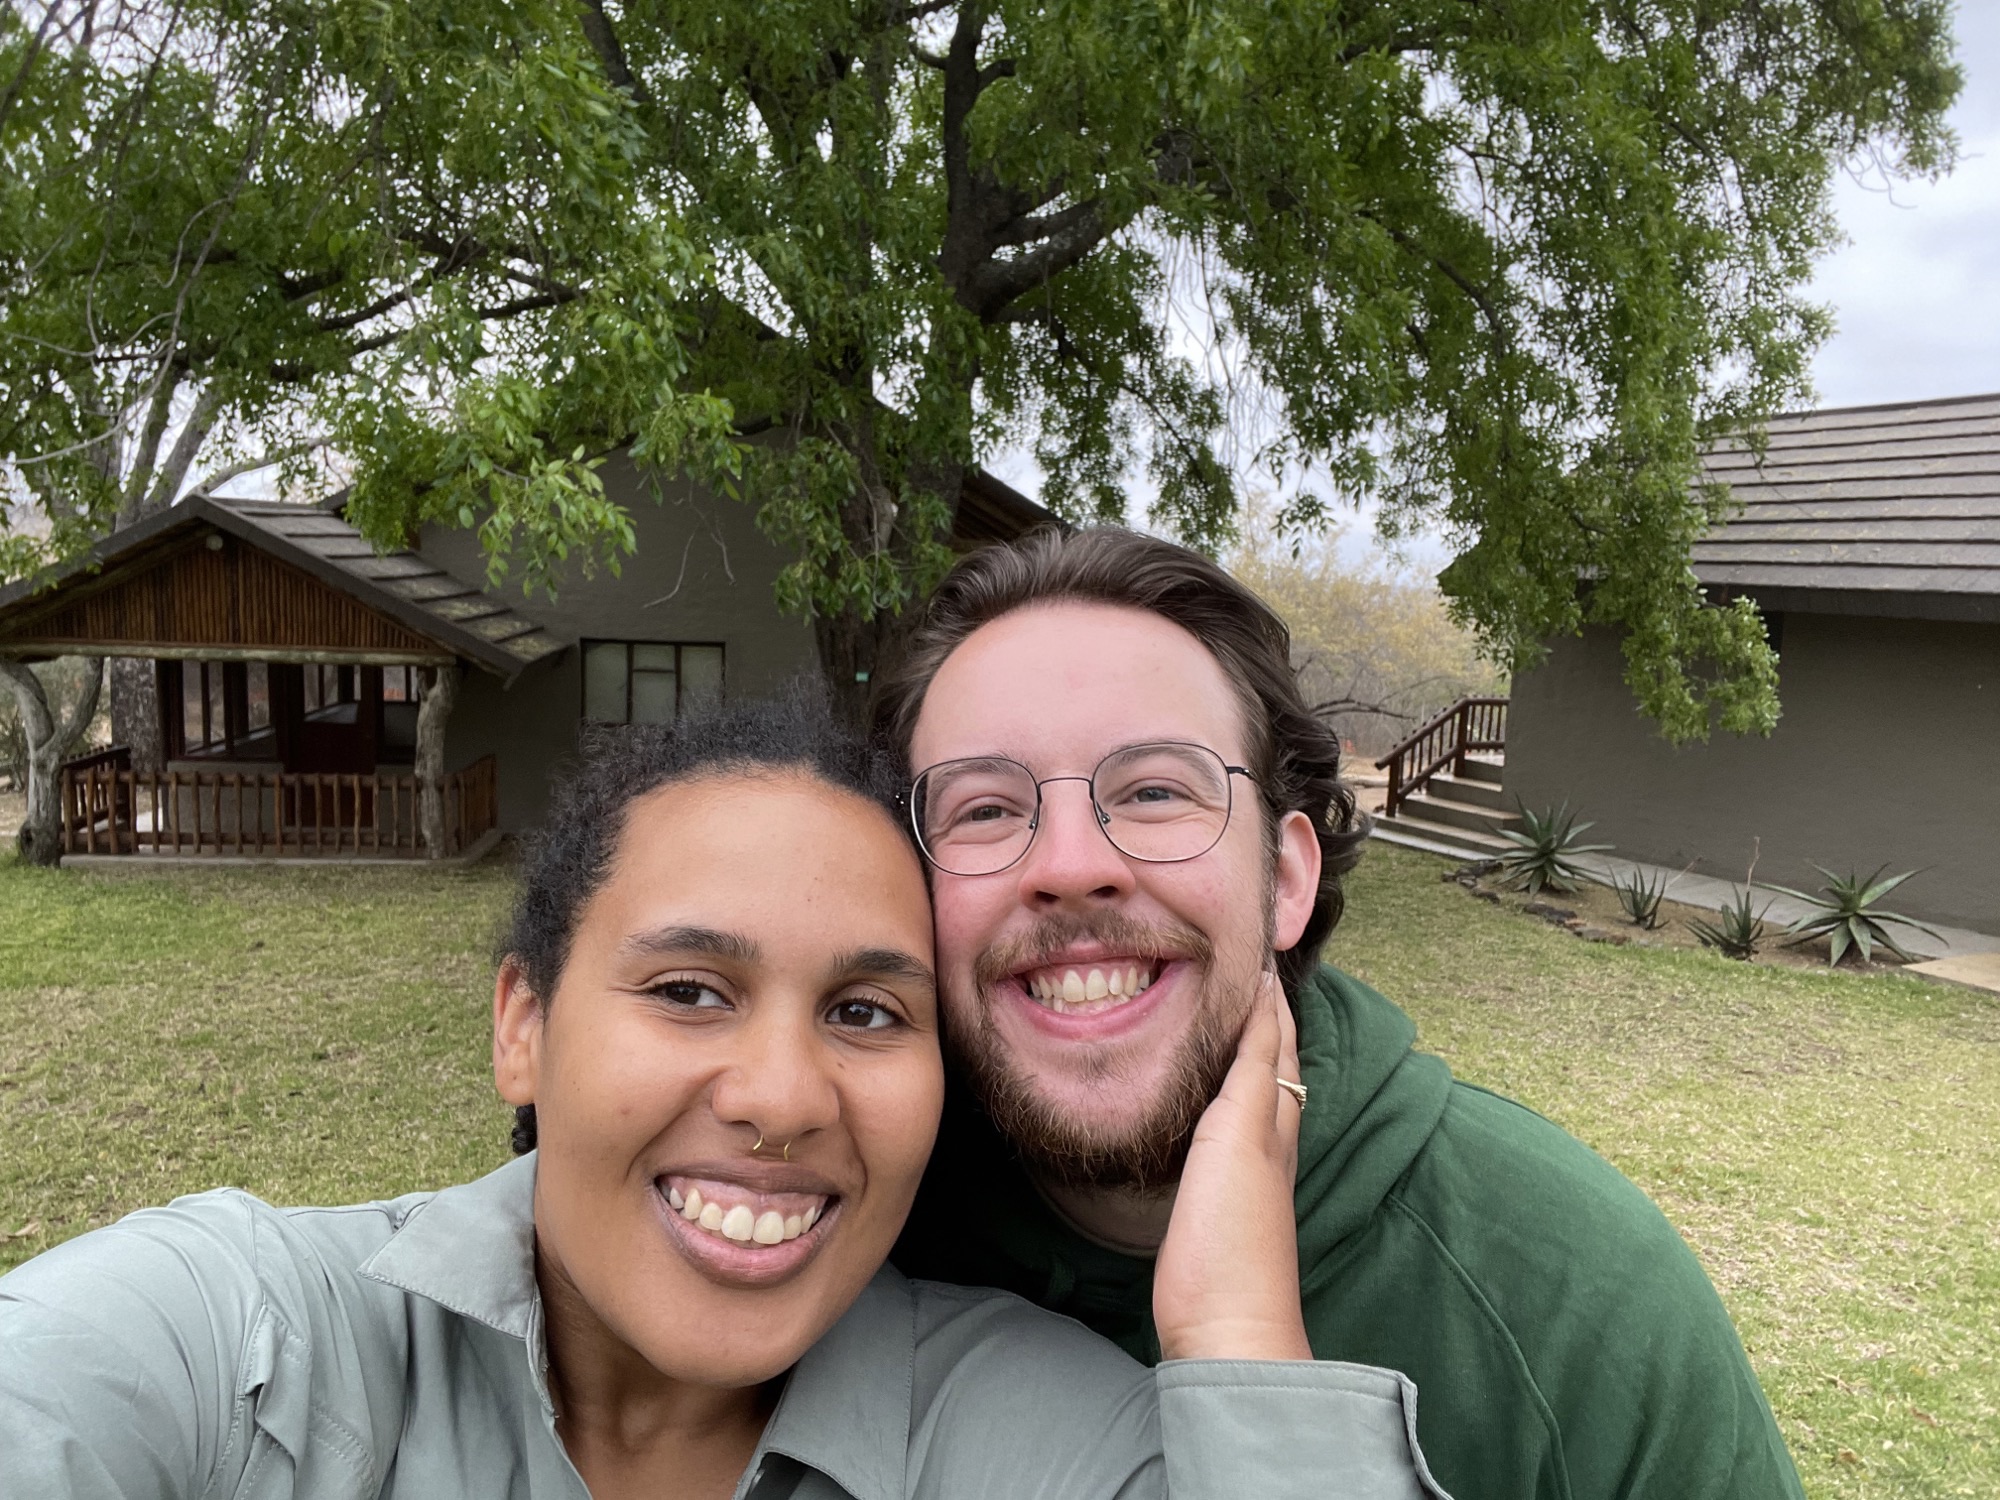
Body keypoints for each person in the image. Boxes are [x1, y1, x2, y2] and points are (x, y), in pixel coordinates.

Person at [0, 690, 1446, 1500]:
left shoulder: (1039, 1441)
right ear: (524, 1025)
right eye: (689, 988)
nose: (780, 1095)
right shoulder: (247, 1346)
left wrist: (1243, 1335)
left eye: (870, 1011)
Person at [882, 527, 1808, 1500]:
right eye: (981, 809)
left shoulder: (1585, 1302)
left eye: (1154, 791)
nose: (1069, 866)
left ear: (1282, 878)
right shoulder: (844, 1234)